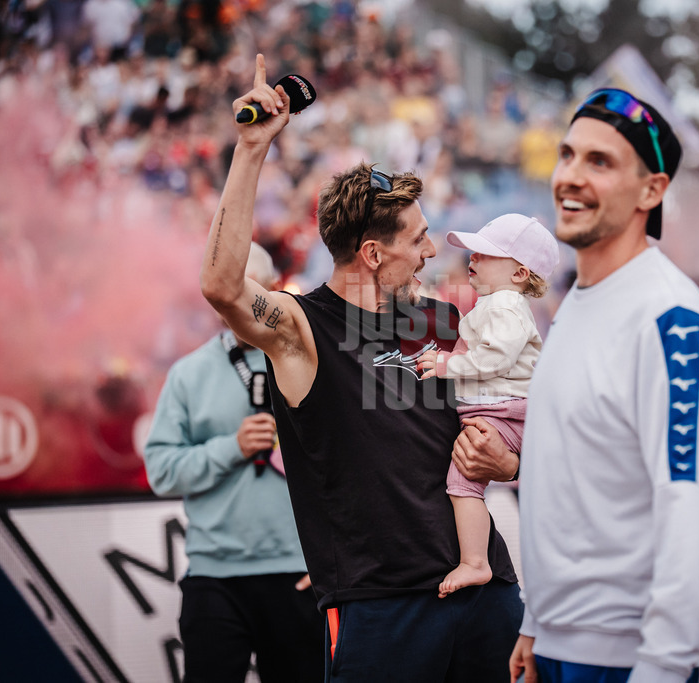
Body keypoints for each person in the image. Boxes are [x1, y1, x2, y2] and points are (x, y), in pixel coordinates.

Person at [200, 54, 523, 683]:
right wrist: (251, 149)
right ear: (373, 253)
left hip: (485, 596)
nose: (433, 250)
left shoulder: (446, 319)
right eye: (419, 238)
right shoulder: (301, 329)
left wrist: (512, 464)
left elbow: (517, 424)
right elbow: (221, 285)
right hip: (381, 610)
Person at [509, 88, 699, 683]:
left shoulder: (671, 316)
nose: (570, 177)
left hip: (626, 661)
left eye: (599, 162)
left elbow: (691, 501)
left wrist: (662, 664)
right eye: (568, 155)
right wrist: (537, 624)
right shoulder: (577, 302)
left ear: (652, 190)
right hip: (557, 646)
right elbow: (571, 479)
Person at [144, 242, 324, 683]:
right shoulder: (189, 374)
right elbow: (161, 471)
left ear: (273, 293)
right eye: (230, 296)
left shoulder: (309, 360)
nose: (241, 306)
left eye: (252, 294)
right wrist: (231, 448)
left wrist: (326, 563)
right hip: (215, 579)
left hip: (299, 576)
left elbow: (348, 468)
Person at [416, 213, 558, 598]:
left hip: (502, 411)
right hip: (500, 408)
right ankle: (475, 560)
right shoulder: (496, 304)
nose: (471, 260)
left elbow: (495, 358)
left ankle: (476, 562)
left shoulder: (504, 307)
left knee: (462, 483)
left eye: (484, 254)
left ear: (519, 274)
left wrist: (448, 365)